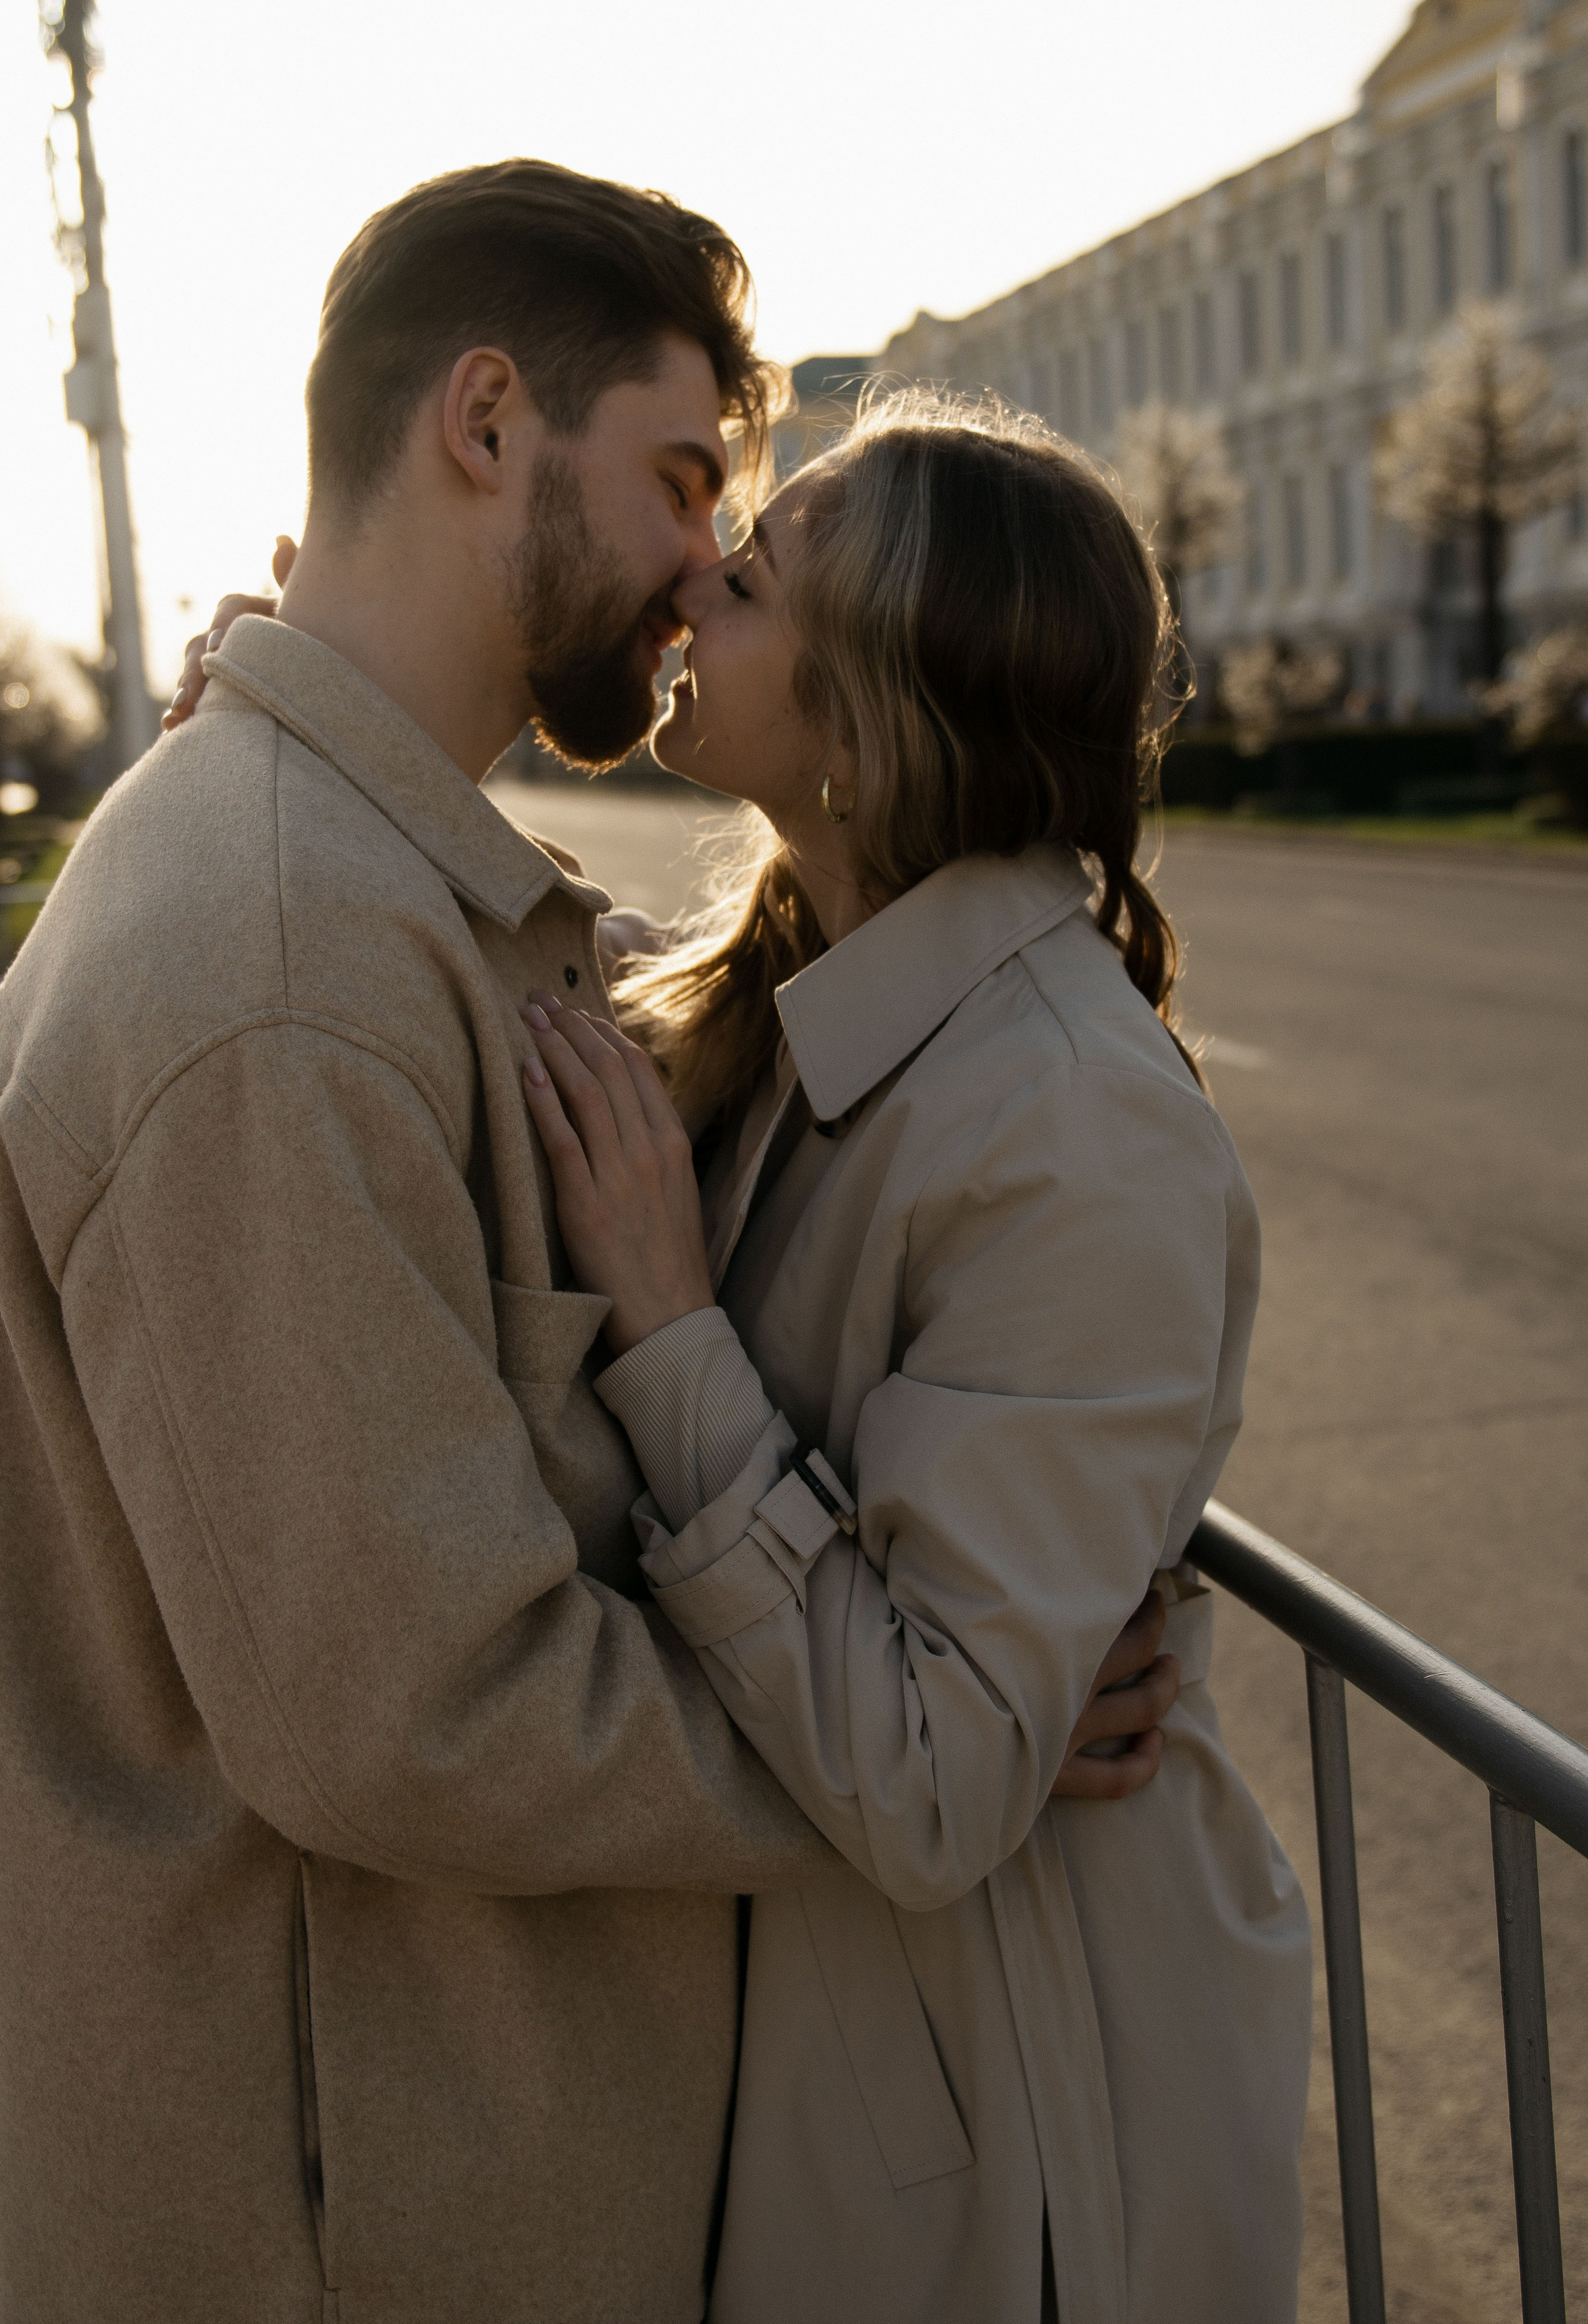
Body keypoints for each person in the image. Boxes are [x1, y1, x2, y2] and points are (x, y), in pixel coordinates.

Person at [0, 160, 1175, 2324]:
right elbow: (419, 1710)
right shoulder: (281, 960)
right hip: (345, 2227)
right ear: (488, 424)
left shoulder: (362, 884)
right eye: (689, 477)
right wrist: (922, 1752)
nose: (708, 561)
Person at [510, 394, 1314, 2323]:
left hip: (1029, 2140)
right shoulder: (815, 998)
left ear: (868, 735)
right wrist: (298, 714)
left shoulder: (1071, 1126)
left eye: (760, 575)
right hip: (896, 2063)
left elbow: (940, 1776)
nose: (701, 570)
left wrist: (673, 1328)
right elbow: (530, 960)